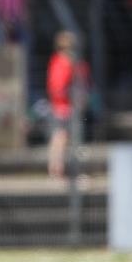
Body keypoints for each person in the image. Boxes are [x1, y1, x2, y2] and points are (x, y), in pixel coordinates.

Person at [47, 31, 88, 178]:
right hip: (62, 107)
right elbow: (57, 88)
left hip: (70, 107)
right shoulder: (61, 63)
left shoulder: (73, 63)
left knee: (67, 139)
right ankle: (57, 170)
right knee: (60, 138)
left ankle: (64, 170)